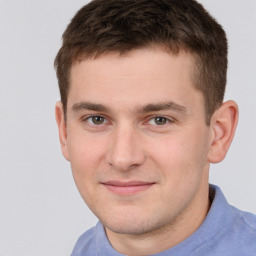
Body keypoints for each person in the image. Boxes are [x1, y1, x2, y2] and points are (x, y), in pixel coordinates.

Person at [54, 0, 256, 255]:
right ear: (64, 132)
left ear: (218, 134)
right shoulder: (85, 248)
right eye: (97, 119)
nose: (123, 158)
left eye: (159, 120)